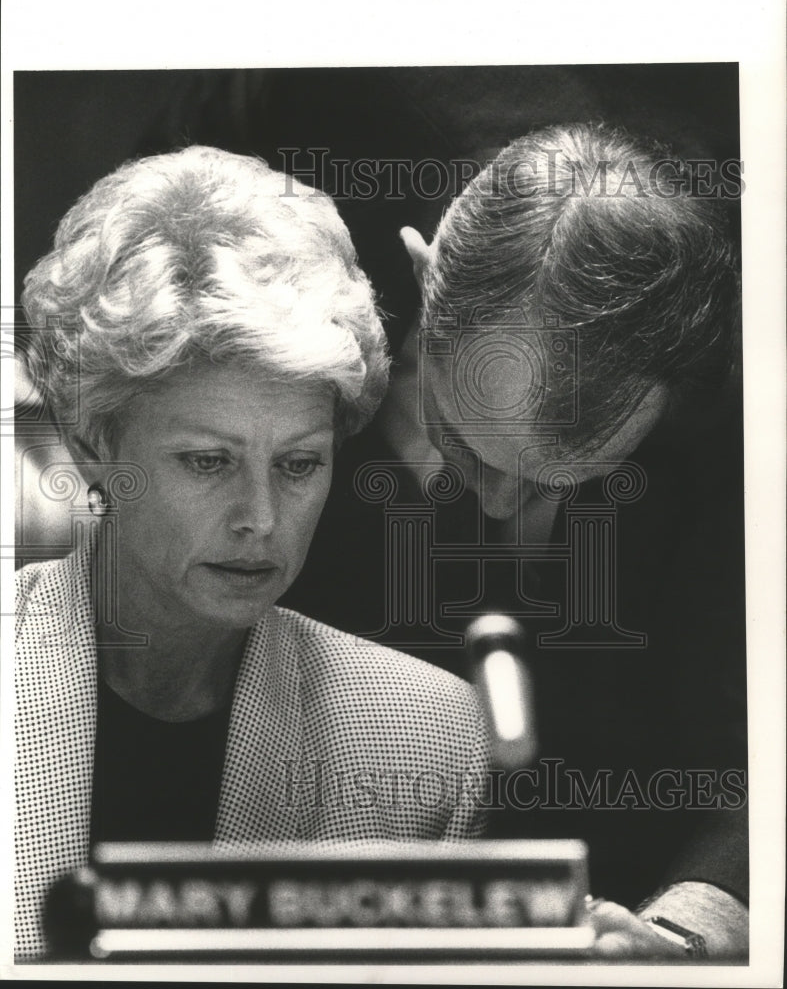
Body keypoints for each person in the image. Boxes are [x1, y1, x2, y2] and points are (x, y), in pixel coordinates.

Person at [14, 146, 488, 960]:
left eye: (299, 464)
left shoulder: (426, 738)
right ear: (95, 444)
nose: (261, 520)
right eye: (208, 462)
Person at [394, 123, 747, 958]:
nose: (498, 500)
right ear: (419, 281)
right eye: (470, 447)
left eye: (561, 478)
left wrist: (691, 930)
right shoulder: (294, 155)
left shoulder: (730, 438)